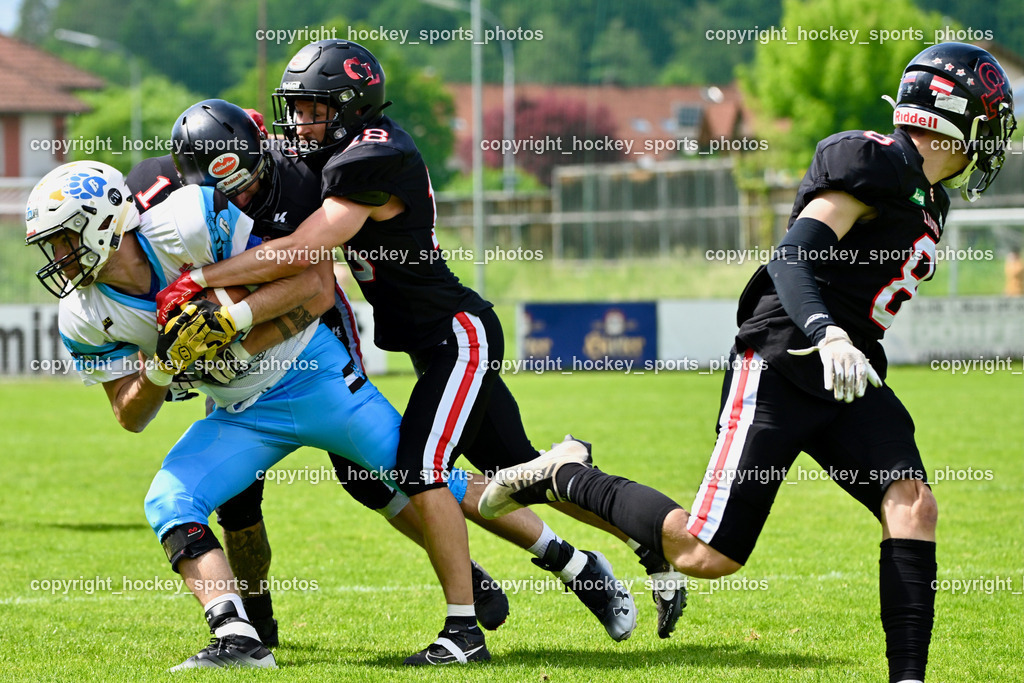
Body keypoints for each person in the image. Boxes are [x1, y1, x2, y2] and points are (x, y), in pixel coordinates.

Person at [478, 42, 1016, 683]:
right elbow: (791, 258)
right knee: (706, 556)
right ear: (950, 116)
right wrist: (827, 332)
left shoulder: (931, 197)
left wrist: (846, 345)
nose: (995, 137)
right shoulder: (873, 163)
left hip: (849, 375)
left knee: (913, 502)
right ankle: (567, 471)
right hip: (788, 356)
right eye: (990, 119)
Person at [155, 40, 678, 664]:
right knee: (523, 474)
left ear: (351, 107)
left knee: (419, 470)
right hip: (431, 344)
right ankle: (629, 549)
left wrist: (205, 283)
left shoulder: (372, 156)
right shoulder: (324, 152)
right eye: (293, 111)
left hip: (456, 332)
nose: (300, 125)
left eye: (313, 111)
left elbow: (304, 254)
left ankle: (463, 631)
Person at [25, 159, 473, 669]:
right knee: (170, 499)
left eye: (64, 240)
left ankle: (564, 536)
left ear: (103, 223)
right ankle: (238, 636)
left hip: (310, 374)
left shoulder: (187, 221)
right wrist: (162, 369)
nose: (57, 257)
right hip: (241, 409)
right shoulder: (81, 314)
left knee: (439, 481)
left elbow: (311, 283)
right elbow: (130, 416)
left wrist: (234, 321)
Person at [125, 100, 510, 644]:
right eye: (221, 190)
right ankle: (254, 623)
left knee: (376, 477)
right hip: (241, 358)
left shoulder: (302, 175)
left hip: (315, 336)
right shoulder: (163, 188)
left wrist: (227, 314)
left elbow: (315, 279)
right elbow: (134, 245)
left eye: (244, 181)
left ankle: (491, 570)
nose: (236, 200)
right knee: (238, 503)